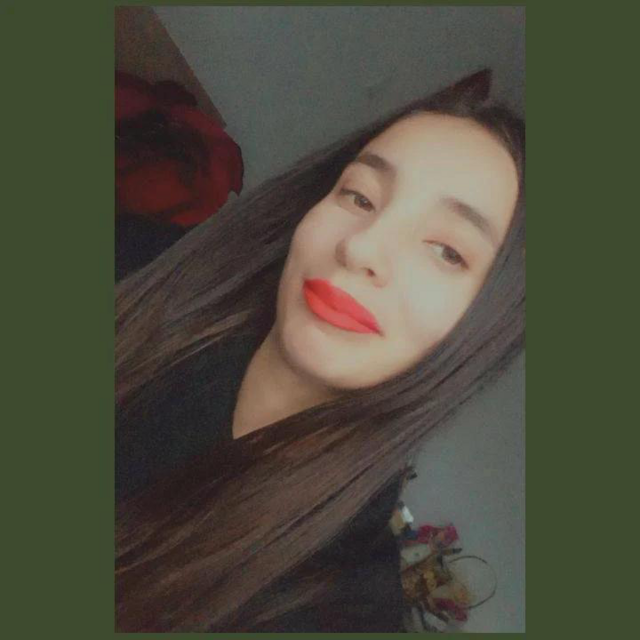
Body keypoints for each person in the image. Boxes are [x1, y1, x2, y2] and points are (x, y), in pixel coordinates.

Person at [115, 68, 525, 632]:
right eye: (360, 196)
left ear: (482, 333)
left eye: (448, 251)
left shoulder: (339, 606)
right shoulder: (141, 269)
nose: (361, 247)